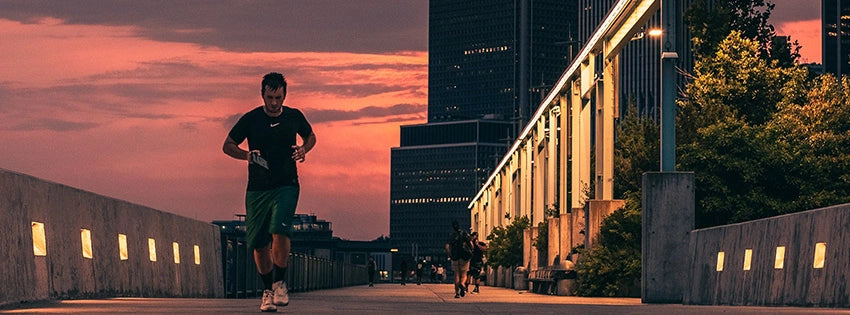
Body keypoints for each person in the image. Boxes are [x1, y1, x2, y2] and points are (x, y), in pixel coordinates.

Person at [223, 72, 317, 312]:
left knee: (280, 229)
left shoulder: (294, 116)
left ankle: (280, 282)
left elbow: (310, 136)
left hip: (287, 184)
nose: (274, 102)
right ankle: (267, 291)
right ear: (262, 95)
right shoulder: (251, 119)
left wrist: (304, 149)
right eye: (269, 97)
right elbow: (228, 145)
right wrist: (246, 155)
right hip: (257, 189)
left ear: (285, 95)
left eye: (278, 97)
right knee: (258, 243)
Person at [445, 220, 472, 298]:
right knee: (464, 274)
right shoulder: (465, 234)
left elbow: (447, 247)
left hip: (455, 256)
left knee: (456, 274)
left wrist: (450, 255)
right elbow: (471, 244)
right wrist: (470, 251)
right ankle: (463, 284)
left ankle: (457, 293)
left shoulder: (452, 235)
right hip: (464, 256)